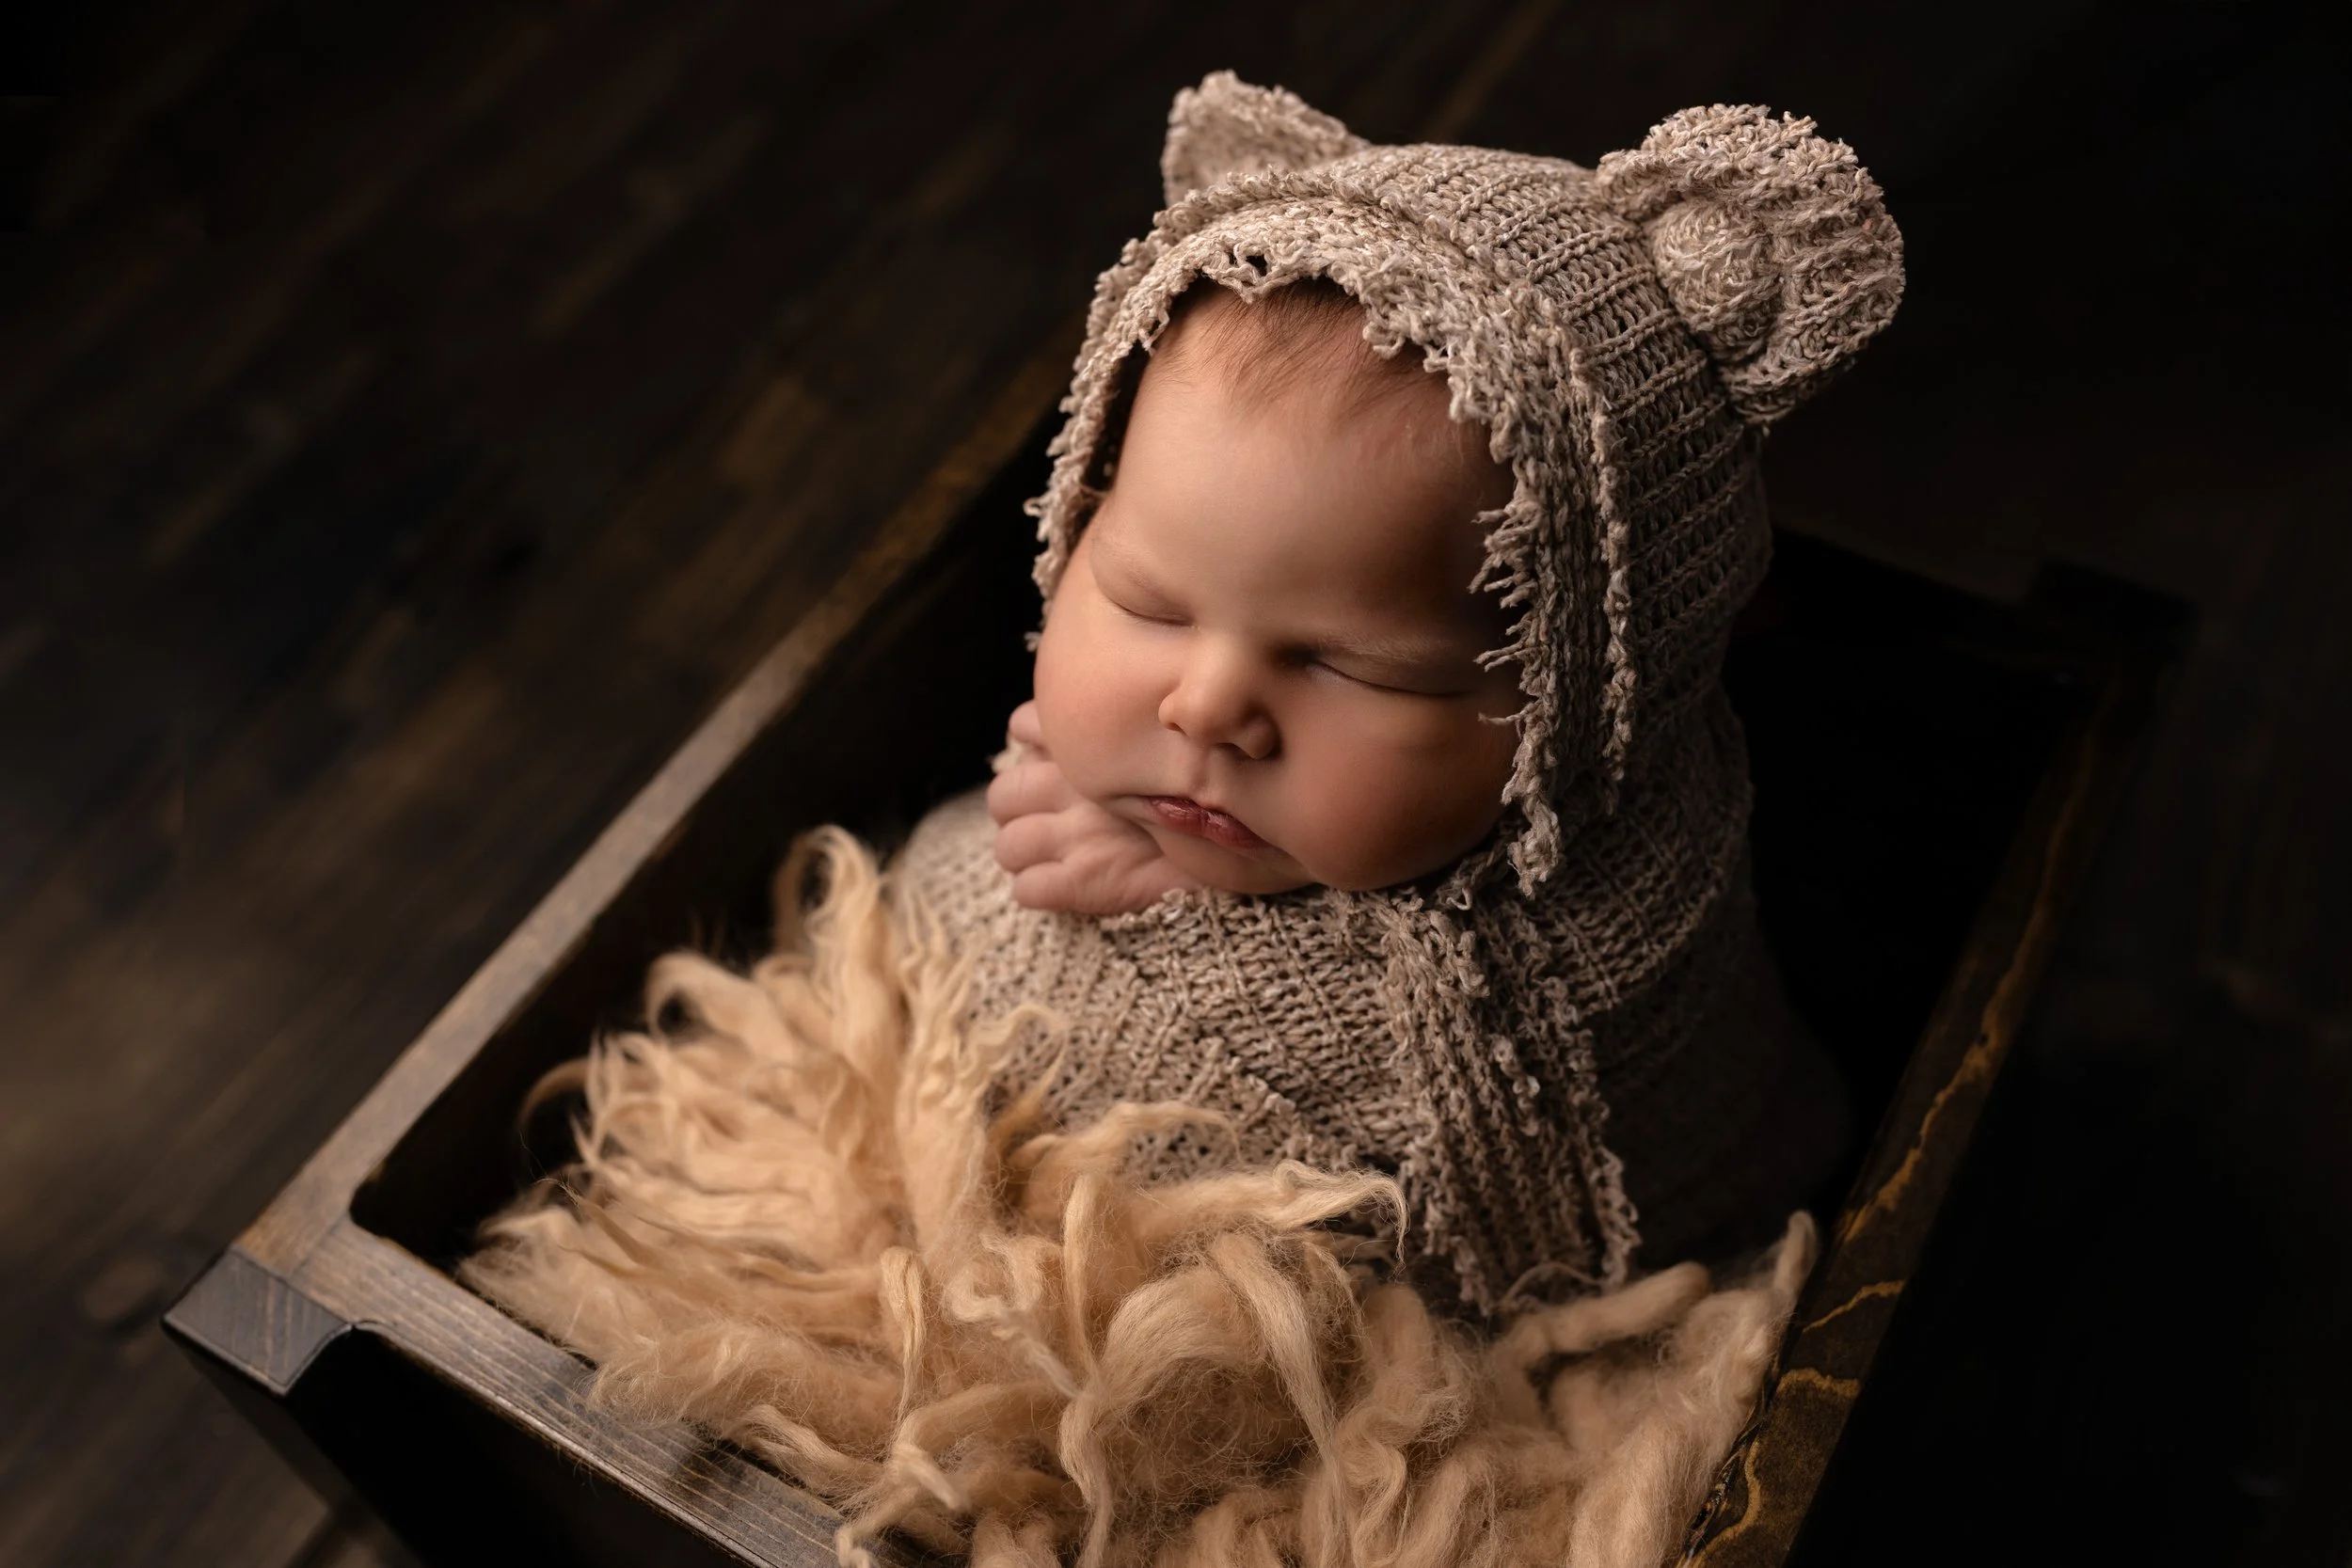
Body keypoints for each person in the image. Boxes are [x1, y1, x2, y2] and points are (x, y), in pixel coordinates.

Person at [894, 71, 1904, 1312]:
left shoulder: (1626, 908)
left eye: (1352, 666)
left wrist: (1212, 923)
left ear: (1579, 715)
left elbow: (1469, 1182)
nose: (1205, 709)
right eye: (1148, 600)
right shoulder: (1208, 723)